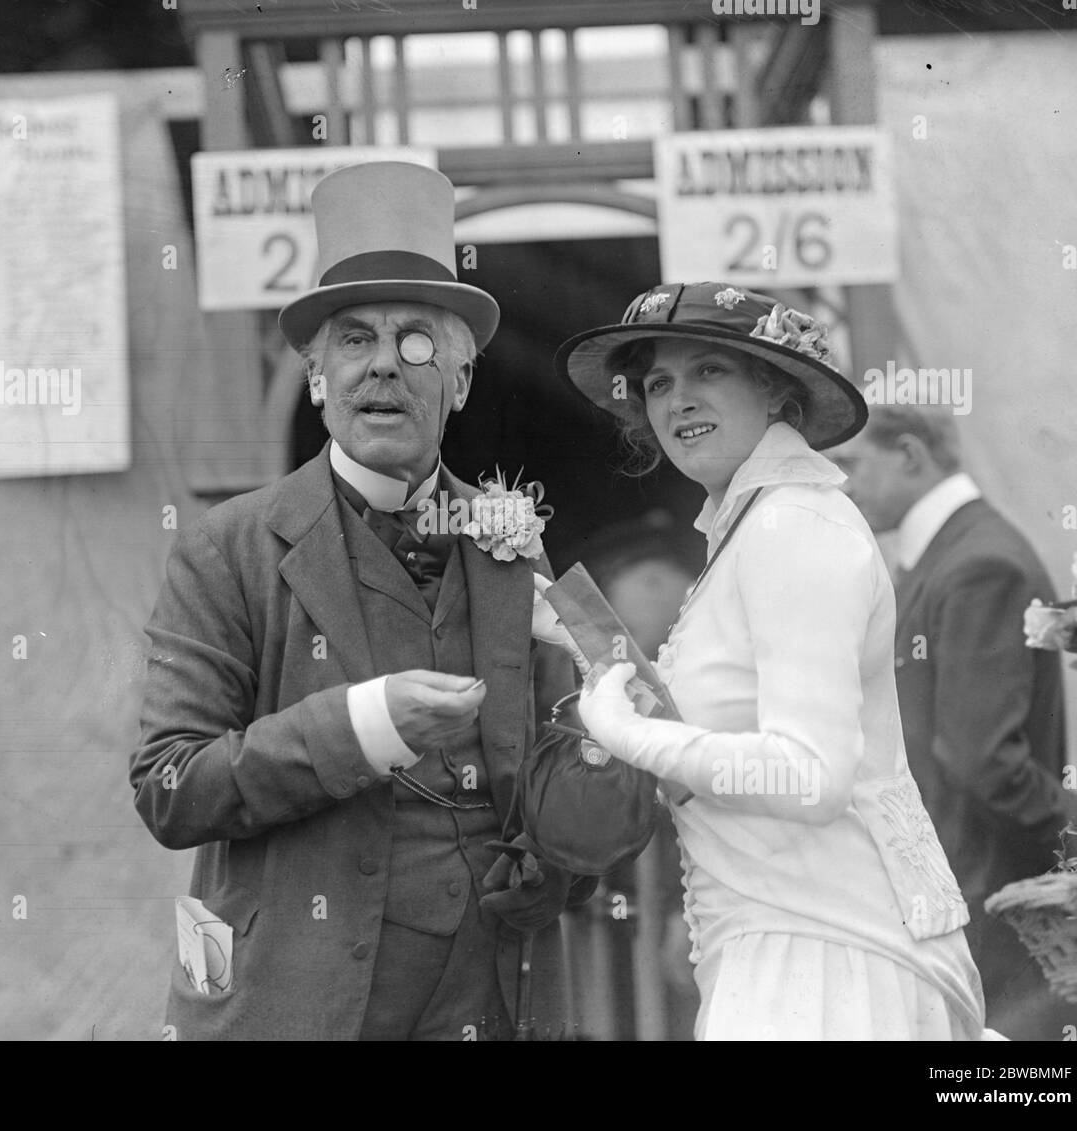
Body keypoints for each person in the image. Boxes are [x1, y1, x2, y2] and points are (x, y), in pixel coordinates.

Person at [130, 162, 591, 1041]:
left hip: (487, 1000)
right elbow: (171, 786)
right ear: (315, 375)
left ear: (458, 381)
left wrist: (562, 859)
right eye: (354, 339)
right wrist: (363, 723)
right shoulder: (228, 548)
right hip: (292, 1000)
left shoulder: (512, 541)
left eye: (418, 339)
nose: (385, 362)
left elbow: (561, 758)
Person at [535, 282, 990, 1040]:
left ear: (775, 390)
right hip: (780, 940)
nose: (678, 400)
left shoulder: (792, 524)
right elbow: (715, 710)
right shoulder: (756, 525)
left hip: (827, 954)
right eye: (658, 384)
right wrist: (571, 623)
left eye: (708, 371)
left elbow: (810, 775)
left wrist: (621, 730)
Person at [830, 405, 1077, 1040]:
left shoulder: (979, 564)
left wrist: (1076, 840)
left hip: (990, 899)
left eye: (851, 464)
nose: (842, 484)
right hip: (959, 897)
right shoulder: (950, 556)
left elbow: (982, 759)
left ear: (912, 456)